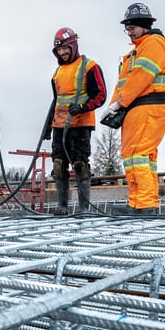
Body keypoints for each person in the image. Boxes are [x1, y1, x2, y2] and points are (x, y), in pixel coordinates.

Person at [103, 3, 165, 215]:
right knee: (144, 157)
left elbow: (140, 78)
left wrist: (119, 103)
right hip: (139, 107)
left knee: (136, 154)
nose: (129, 32)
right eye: (127, 28)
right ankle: (142, 203)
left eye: (132, 27)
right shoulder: (139, 49)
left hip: (147, 105)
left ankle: (143, 206)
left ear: (144, 25)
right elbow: (125, 83)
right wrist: (113, 106)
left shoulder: (153, 44)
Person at [45, 27, 107, 215]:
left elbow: (100, 94)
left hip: (80, 124)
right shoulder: (57, 73)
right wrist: (49, 126)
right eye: (59, 50)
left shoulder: (89, 66)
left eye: (65, 49)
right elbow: (56, 101)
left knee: (80, 165)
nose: (62, 53)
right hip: (59, 125)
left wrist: (83, 107)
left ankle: (83, 208)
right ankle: (62, 207)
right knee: (58, 165)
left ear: (73, 46)